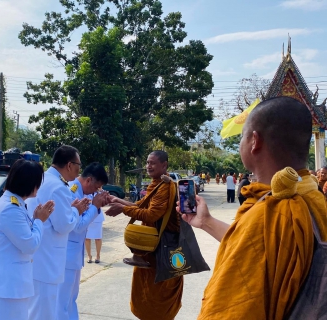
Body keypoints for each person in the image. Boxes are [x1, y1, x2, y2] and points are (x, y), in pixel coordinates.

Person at [180, 96, 327, 319]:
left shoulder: (272, 211)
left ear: (254, 141)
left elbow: (231, 310)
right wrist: (206, 222)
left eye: (242, 137)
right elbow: (258, 245)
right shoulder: (314, 196)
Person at [106, 150, 182, 320]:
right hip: (151, 251)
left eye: (153, 163)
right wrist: (117, 201)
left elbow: (151, 215)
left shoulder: (166, 186)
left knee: (156, 298)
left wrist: (124, 209)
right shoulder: (157, 184)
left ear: (164, 165)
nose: (148, 166)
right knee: (147, 295)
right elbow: (141, 205)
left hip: (161, 251)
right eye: (147, 162)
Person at [0, 159, 55, 320]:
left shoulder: (16, 203)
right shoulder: (10, 208)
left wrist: (35, 219)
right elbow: (30, 244)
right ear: (30, 183)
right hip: (6, 288)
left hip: (11, 287)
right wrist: (39, 221)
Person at [27, 145, 90, 320]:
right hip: (48, 260)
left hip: (39, 256)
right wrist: (76, 211)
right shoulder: (58, 187)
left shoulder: (43, 180)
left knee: (37, 309)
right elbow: (63, 225)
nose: (79, 170)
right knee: (44, 311)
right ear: (69, 165)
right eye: (78, 165)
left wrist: (71, 211)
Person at [57, 163, 109, 320]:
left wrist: (96, 205)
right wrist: (94, 207)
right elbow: (77, 226)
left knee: (71, 299)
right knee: (62, 302)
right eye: (96, 187)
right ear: (89, 180)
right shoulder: (71, 191)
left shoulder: (82, 192)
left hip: (74, 255)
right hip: (66, 255)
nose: (95, 192)